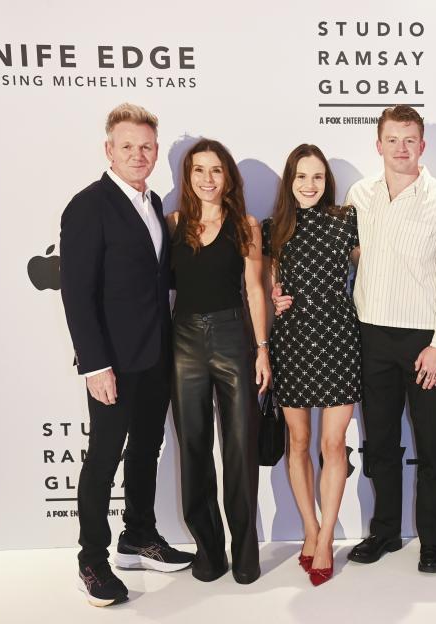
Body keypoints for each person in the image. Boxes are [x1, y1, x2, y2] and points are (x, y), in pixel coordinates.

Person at [60, 103, 193, 608]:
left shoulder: (153, 201)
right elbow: (77, 293)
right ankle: (91, 561)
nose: (138, 154)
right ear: (109, 150)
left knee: (146, 448)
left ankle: (137, 536)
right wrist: (95, 365)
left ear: (155, 152)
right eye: (128, 146)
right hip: (112, 362)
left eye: (146, 147)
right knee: (103, 458)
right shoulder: (88, 205)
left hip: (155, 355)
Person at [342, 105, 436, 573]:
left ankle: (432, 542)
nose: (401, 148)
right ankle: (385, 532)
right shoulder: (359, 195)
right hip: (370, 335)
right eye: (393, 139)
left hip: (424, 341)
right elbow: (350, 255)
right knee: (379, 443)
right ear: (379, 144)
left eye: (409, 139)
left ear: (422, 145)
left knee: (432, 446)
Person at [167, 139, 271, 585]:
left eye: (216, 170)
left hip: (233, 338)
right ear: (187, 176)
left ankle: (245, 555)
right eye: (198, 170)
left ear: (227, 177)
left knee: (240, 450)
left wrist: (262, 348)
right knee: (193, 450)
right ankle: (208, 552)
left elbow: (255, 290)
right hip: (184, 342)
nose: (207, 179)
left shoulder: (246, 225)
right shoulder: (173, 223)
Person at [262, 144, 361, 586]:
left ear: (327, 181)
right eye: (301, 176)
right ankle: (309, 527)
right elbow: (266, 285)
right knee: (298, 442)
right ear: (290, 180)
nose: (309, 184)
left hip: (340, 340)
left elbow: (374, 269)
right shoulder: (273, 229)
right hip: (293, 342)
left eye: (317, 176)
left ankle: (327, 539)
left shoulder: (346, 220)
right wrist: (274, 296)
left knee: (333, 444)